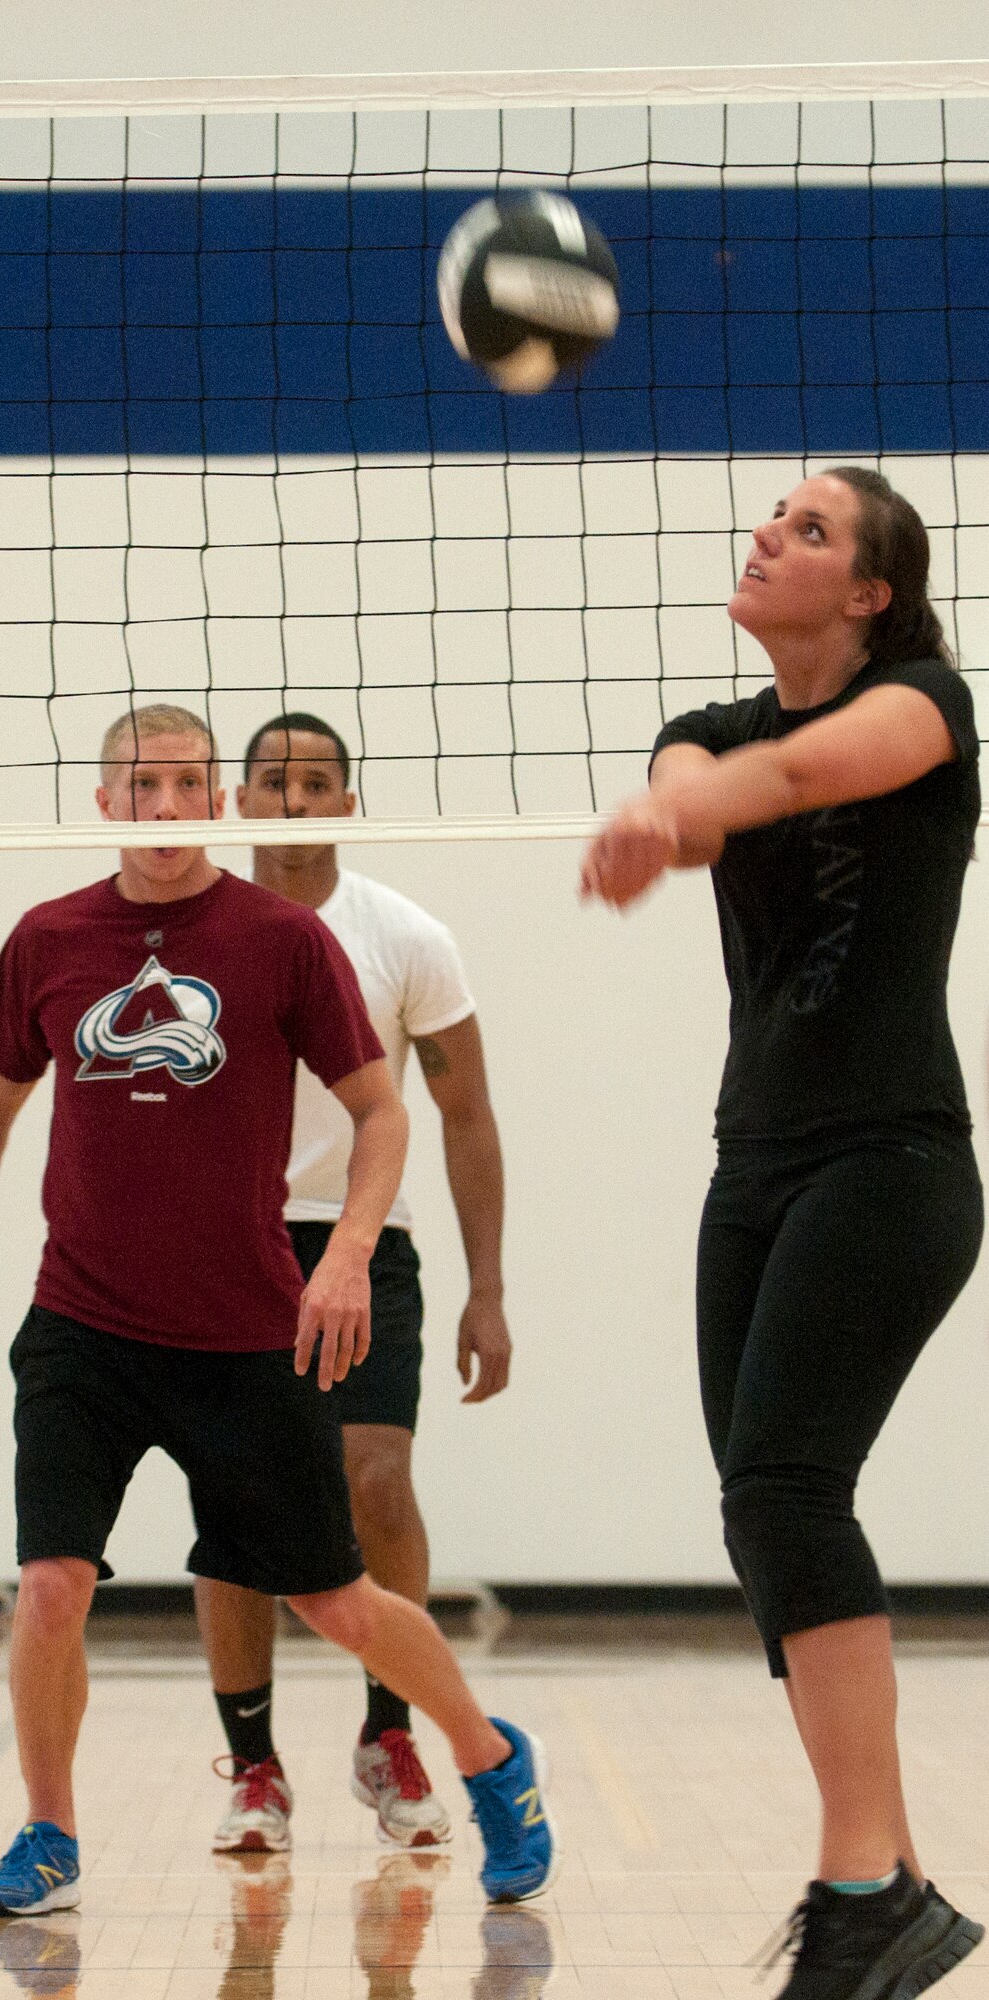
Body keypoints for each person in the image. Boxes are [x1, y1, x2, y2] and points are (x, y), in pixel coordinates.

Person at [0, 701, 555, 1913]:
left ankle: (489, 1756)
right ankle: (50, 1833)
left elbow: (387, 1109)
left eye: (187, 784)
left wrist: (351, 1249)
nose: (164, 807)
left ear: (217, 801)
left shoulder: (281, 939)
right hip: (82, 1326)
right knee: (52, 1582)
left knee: (333, 1595)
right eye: (141, 786)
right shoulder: (48, 937)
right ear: (105, 803)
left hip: (247, 1329)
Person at [580, 467, 984, 1999]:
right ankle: (886, 1884)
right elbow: (696, 778)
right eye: (770, 518)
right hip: (749, 1164)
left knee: (790, 1488)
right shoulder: (709, 727)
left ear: (870, 592)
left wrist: (679, 811)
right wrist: (666, 802)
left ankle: (862, 1879)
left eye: (809, 531)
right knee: (761, 1511)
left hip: (890, 1163)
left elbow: (801, 783)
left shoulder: (926, 707)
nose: (768, 537)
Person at [197, 712, 511, 1854]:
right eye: (273, 780)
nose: (291, 799)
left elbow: (465, 1114)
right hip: (229, 1248)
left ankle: (389, 1735)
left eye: (314, 780)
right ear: (239, 798)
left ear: (347, 799)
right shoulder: (191, 930)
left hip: (367, 1238)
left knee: (373, 1476)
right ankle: (254, 1765)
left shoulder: (404, 935)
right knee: (234, 1507)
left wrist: (487, 1286)